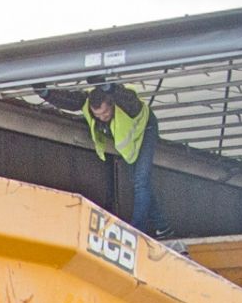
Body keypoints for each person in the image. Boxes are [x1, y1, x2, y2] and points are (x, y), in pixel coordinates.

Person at [40, 80, 161, 233]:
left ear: (112, 105)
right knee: (139, 183)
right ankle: (162, 226)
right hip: (133, 142)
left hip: (147, 129)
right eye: (97, 115)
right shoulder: (88, 102)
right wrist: (46, 93)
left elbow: (127, 96)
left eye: (105, 113)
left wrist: (110, 87)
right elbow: (69, 100)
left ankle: (138, 230)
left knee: (140, 181)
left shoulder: (125, 103)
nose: (102, 117)